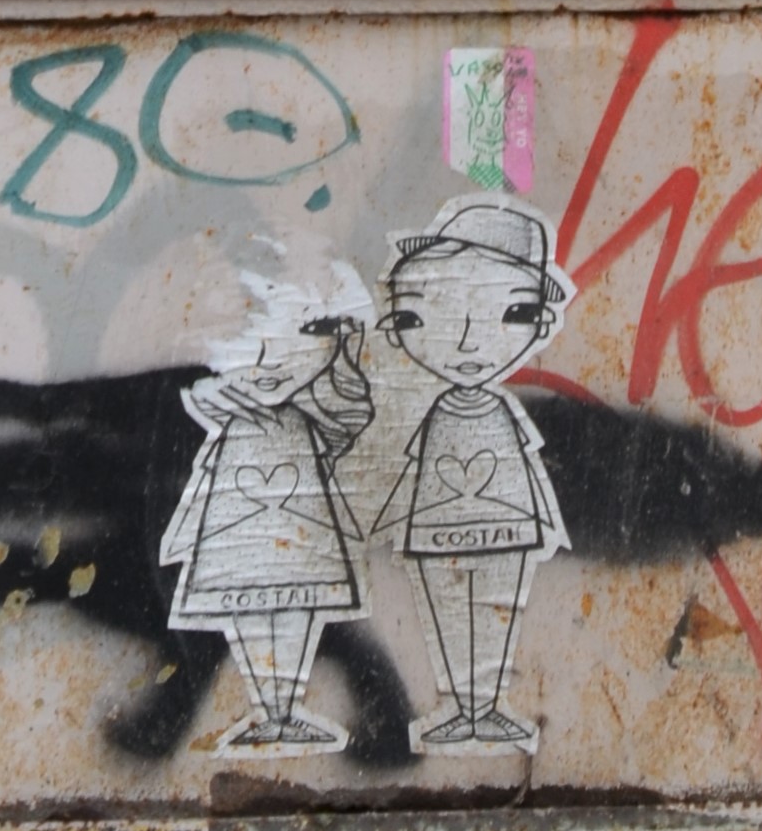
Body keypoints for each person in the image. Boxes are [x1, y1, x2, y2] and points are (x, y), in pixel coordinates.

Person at [372, 201, 571, 751]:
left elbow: (526, 462)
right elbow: (415, 464)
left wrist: (543, 521)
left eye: (508, 314)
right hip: (441, 521)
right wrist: (396, 516)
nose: (465, 343)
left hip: (504, 522)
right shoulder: (438, 414)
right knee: (448, 612)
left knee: (499, 611)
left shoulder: (505, 412)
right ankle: (464, 708)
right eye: (422, 315)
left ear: (542, 322)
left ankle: (486, 708)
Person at [157, 312, 375, 754]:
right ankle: (273, 714)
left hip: (299, 527)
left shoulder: (310, 415)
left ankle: (283, 714)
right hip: (238, 527)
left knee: (295, 608)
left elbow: (349, 424)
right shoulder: (222, 408)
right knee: (251, 611)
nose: (270, 361)